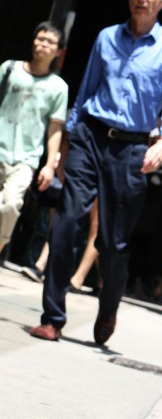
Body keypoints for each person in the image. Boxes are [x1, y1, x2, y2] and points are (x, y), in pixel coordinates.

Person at [29, 0, 162, 344]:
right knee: (66, 223)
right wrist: (66, 145)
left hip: (133, 148)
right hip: (90, 136)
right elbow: (85, 93)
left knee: (113, 243)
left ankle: (109, 306)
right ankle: (52, 317)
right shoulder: (105, 38)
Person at [0, 22, 68, 261]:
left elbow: (55, 128)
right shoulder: (9, 70)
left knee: (10, 205)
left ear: (59, 51)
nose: (43, 44)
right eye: (40, 39)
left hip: (25, 159)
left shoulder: (58, 87)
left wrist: (50, 165)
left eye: (50, 41)